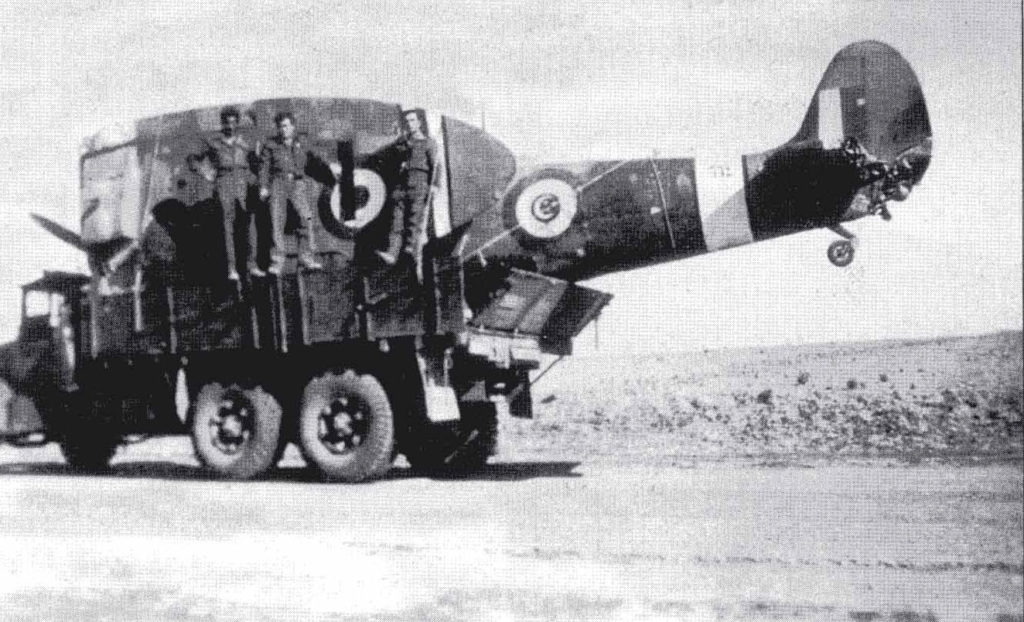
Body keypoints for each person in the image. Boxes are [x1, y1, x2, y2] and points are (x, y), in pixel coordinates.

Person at [258, 112, 339, 274]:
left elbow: (317, 156)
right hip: (278, 183)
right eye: (280, 127)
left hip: (298, 183)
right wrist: (263, 186)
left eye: (286, 126)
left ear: (293, 126)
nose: (283, 130)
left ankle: (306, 257)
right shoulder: (270, 145)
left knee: (306, 218)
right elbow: (264, 168)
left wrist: (331, 165)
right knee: (276, 221)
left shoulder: (302, 141)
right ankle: (277, 261)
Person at [200, 106, 260, 280]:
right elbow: (199, 163)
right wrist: (213, 178)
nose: (231, 126)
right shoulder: (214, 144)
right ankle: (231, 268)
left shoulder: (244, 144)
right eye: (227, 122)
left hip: (242, 185)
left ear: (238, 123)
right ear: (222, 123)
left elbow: (251, 165)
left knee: (250, 226)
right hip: (224, 184)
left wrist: (253, 182)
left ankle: (252, 265)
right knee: (228, 229)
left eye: (234, 122)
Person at [377, 109, 442, 267]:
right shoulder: (403, 142)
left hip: (419, 183)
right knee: (396, 221)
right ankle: (392, 253)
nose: (409, 124)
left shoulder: (428, 143)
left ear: (419, 123)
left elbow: (436, 166)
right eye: (407, 121)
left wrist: (435, 185)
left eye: (412, 120)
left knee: (415, 221)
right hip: (401, 184)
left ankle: (409, 253)